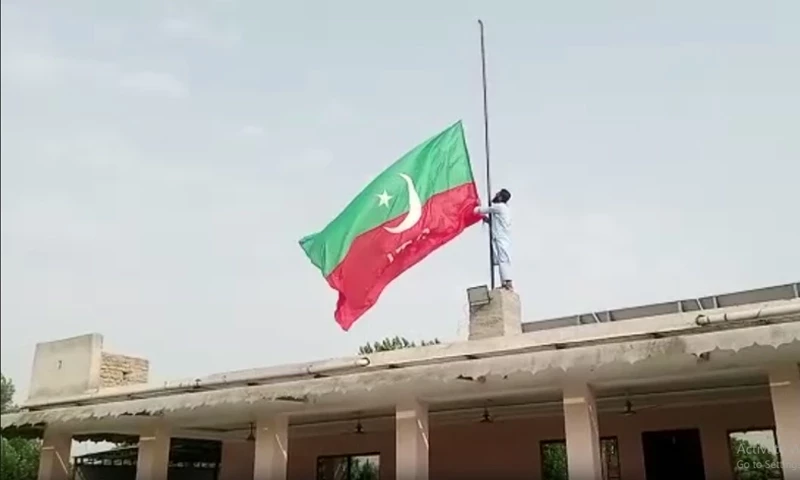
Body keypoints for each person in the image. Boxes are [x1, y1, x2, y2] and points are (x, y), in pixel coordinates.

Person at [474, 188, 513, 290]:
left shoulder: (499, 207)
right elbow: (496, 223)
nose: (496, 194)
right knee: (501, 260)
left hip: (501, 238)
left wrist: (474, 207)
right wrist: (487, 220)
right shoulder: (504, 209)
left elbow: (482, 210)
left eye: (498, 194)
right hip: (501, 237)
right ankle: (504, 283)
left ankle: (508, 283)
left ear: (500, 197)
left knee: (503, 259)